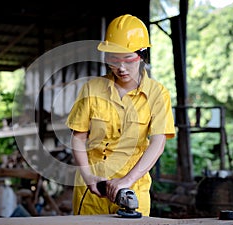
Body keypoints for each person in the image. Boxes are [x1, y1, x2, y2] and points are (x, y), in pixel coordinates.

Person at [65, 14, 176, 216]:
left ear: (142, 55)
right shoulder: (92, 89)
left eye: (128, 59)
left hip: (133, 188)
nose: (121, 68)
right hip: (92, 190)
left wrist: (127, 181)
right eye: (114, 60)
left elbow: (158, 143)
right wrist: (88, 177)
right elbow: (78, 137)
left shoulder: (158, 94)